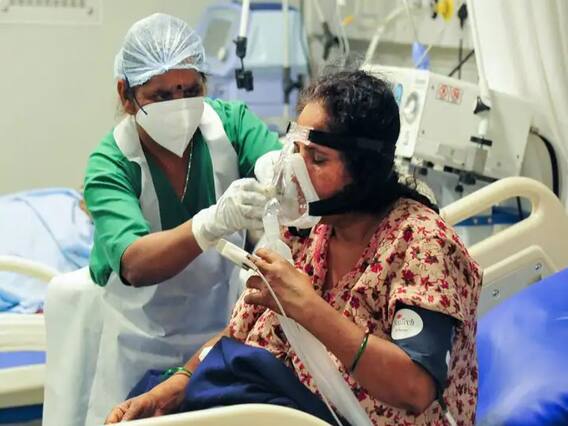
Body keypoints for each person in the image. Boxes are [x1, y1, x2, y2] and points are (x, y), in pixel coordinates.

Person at [105, 70, 482, 425]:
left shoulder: (418, 243)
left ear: (365, 169)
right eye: (296, 151)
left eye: (317, 159)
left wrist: (307, 307)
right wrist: (175, 387)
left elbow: (415, 388)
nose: (295, 171)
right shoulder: (304, 233)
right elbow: (237, 335)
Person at [47, 13, 281, 425]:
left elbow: (282, 170)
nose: (180, 104)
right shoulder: (111, 164)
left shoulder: (230, 126)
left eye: (191, 90)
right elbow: (136, 264)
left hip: (218, 340)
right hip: (136, 343)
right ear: (126, 95)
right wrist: (209, 224)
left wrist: (280, 173)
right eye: (160, 95)